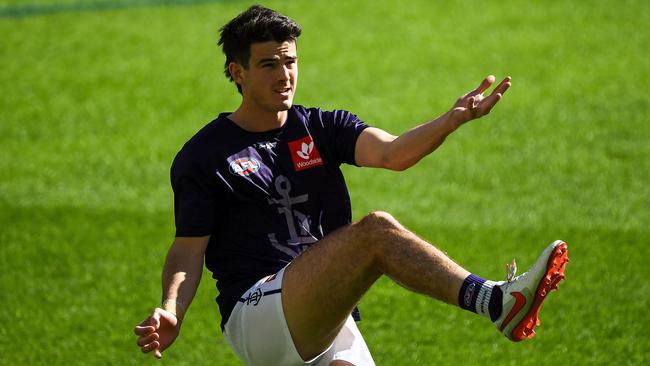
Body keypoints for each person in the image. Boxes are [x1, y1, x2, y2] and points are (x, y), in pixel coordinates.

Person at [134, 5, 569, 366]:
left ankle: (498, 304)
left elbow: (393, 153)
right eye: (269, 64)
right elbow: (188, 250)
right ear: (238, 72)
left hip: (325, 311)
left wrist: (450, 120)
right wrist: (172, 310)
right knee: (375, 233)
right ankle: (494, 302)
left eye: (290, 61)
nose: (284, 74)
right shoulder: (204, 155)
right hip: (255, 312)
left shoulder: (322, 126)